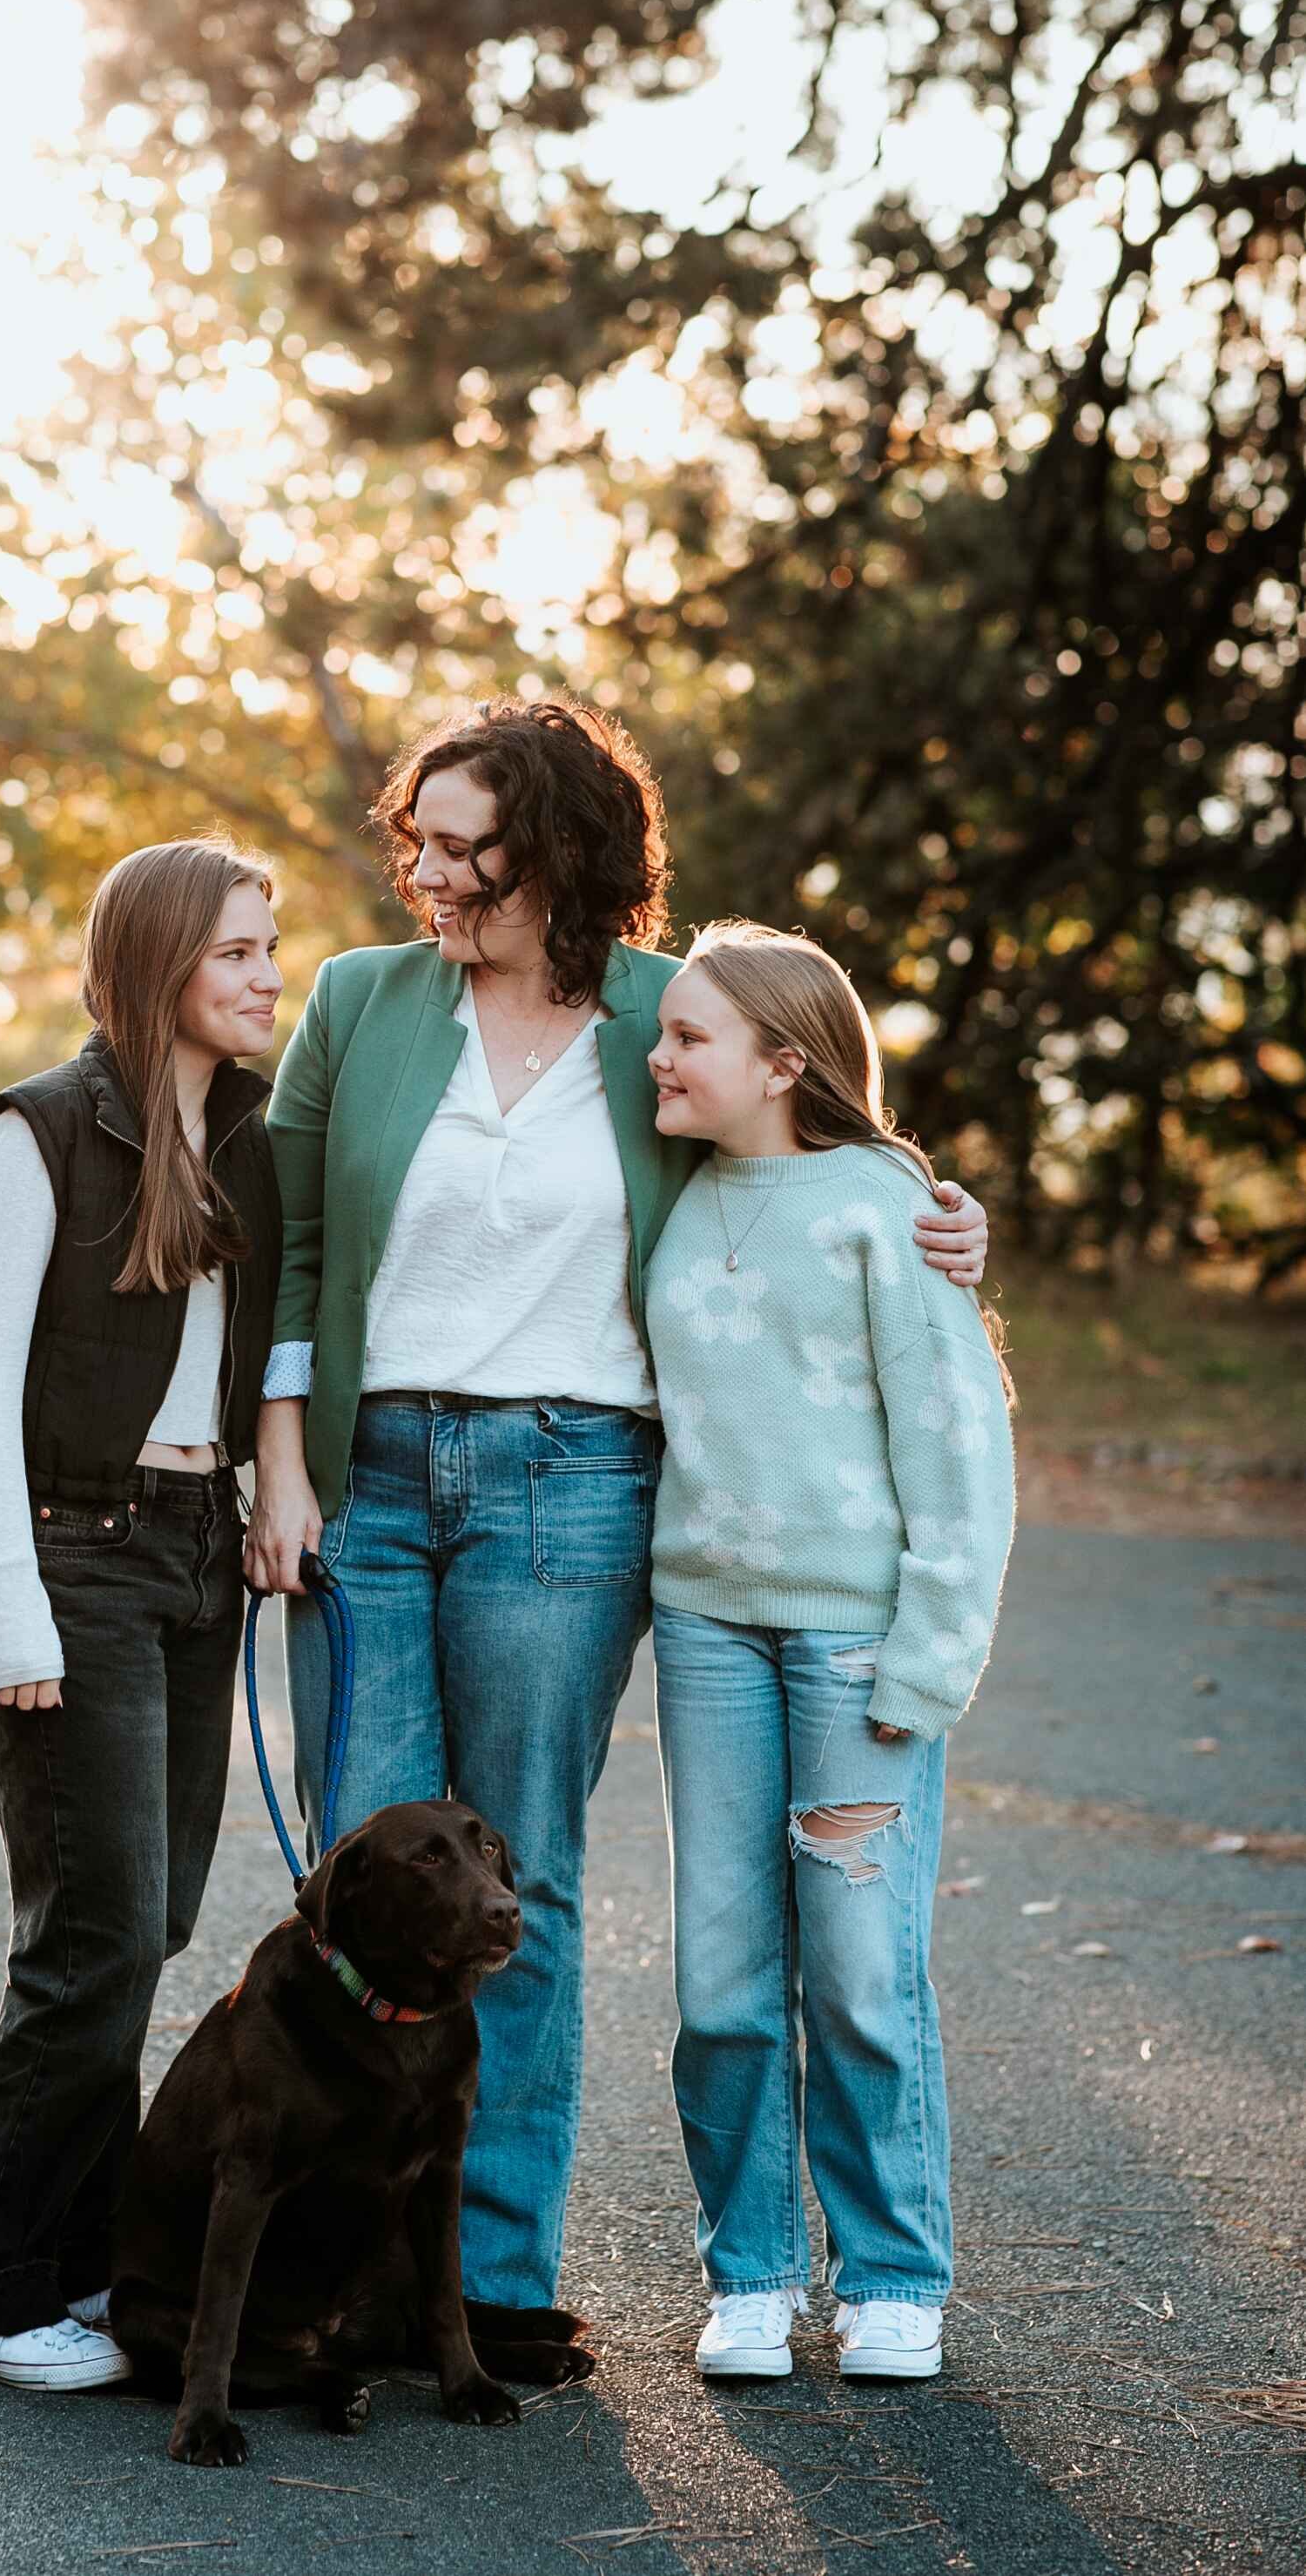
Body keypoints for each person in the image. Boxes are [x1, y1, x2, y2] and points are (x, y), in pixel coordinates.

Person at [245, 700, 990, 2319]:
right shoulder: (359, 1003)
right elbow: (285, 1247)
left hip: (571, 1489)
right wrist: (281, 1461)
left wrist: (943, 1218)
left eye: (464, 845)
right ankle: (341, 2277)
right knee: (354, 1882)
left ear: (559, 849)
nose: (425, 873)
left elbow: (815, 1137)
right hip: (362, 1486)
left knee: (522, 1888)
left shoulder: (666, 1012)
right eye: (417, 841)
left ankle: (490, 2280)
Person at [0, 838, 284, 2391]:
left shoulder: (246, 1137)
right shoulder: (43, 1133)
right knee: (91, 1942)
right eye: (236, 956)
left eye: (271, 951)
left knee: (151, 1927)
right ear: (157, 971)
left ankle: (75, 2268)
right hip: (75, 1558)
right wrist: (11, 1596)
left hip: (200, 1554)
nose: (268, 979)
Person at [643, 920, 1018, 2385]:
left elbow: (958, 1443)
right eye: (663, 1032)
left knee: (861, 1971)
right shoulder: (669, 1182)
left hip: (855, 1645)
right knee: (722, 1975)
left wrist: (929, 1660)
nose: (658, 1056)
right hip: (707, 1633)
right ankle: (748, 2271)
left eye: (689, 1039)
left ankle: (889, 2271)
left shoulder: (886, 1208)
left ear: (783, 1061)